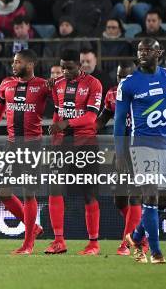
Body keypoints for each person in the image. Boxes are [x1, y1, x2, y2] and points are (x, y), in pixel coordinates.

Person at [115, 38, 166, 264]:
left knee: (163, 201)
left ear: (159, 53)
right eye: (140, 50)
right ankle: (156, 252)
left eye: (148, 50)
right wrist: (120, 152)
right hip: (140, 145)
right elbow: (120, 121)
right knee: (150, 195)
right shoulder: (128, 84)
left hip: (165, 145)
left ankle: (136, 236)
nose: (143, 53)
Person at [0, 49, 49, 254]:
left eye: (17, 62)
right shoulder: (6, 84)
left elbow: (60, 105)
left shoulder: (43, 86)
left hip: (33, 145)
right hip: (12, 145)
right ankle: (33, 229)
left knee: (29, 194)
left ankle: (28, 245)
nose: (13, 65)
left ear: (29, 65)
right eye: (13, 61)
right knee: (3, 191)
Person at [47, 49, 103, 255]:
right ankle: (59, 241)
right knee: (54, 189)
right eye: (62, 67)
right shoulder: (58, 84)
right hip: (62, 145)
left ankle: (94, 244)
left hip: (86, 143)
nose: (65, 71)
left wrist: (65, 123)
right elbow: (57, 112)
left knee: (88, 193)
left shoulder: (93, 84)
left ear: (79, 66)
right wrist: (55, 137)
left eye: (69, 68)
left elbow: (91, 118)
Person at [95, 61, 142, 256]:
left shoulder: (143, 93)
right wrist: (85, 128)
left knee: (135, 196)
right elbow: (103, 118)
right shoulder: (112, 94)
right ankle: (141, 234)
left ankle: (128, 242)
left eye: (125, 77)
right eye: (118, 77)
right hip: (121, 152)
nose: (121, 81)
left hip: (142, 150)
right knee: (120, 199)